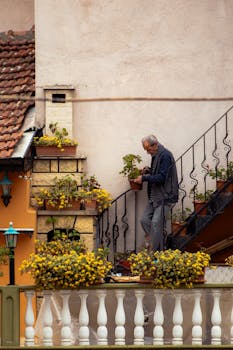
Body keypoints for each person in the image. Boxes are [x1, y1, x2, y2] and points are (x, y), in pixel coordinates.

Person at [134, 134, 179, 251]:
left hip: (165, 196)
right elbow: (157, 172)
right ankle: (159, 237)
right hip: (155, 196)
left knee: (155, 224)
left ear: (155, 144)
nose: (147, 152)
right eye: (146, 150)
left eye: (148, 149)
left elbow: (162, 177)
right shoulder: (156, 154)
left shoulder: (165, 155)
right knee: (144, 220)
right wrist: (148, 171)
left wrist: (144, 178)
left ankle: (155, 253)